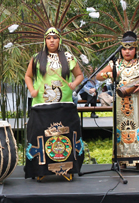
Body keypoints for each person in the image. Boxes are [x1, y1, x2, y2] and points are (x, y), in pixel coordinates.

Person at [24, 27, 84, 181]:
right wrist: (32, 90)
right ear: (45, 40)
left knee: (65, 135)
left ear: (60, 40)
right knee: (40, 135)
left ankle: (67, 167)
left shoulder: (69, 57)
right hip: (42, 105)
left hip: (64, 104)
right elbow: (28, 76)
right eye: (49, 38)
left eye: (55, 38)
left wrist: (74, 84)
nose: (52, 40)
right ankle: (41, 169)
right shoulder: (37, 58)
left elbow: (79, 75)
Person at [96, 31, 139, 172]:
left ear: (136, 49)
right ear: (120, 50)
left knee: (138, 129)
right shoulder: (115, 64)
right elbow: (98, 76)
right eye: (124, 49)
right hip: (121, 103)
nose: (127, 51)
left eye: (130, 48)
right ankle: (122, 160)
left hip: (137, 103)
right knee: (121, 130)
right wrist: (111, 74)